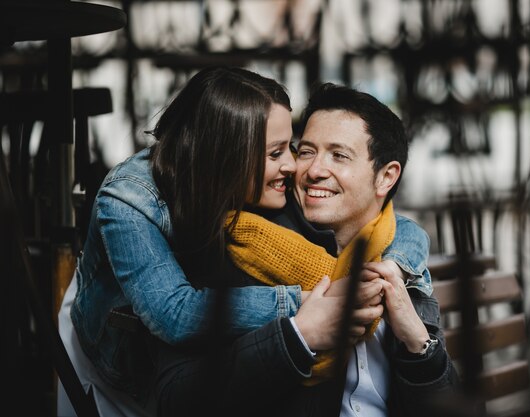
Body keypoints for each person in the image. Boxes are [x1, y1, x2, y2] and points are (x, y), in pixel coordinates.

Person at [56, 67, 426, 417]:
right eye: (276, 152)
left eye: (291, 148)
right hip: (113, 356)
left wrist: (393, 266)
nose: (295, 166)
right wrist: (304, 304)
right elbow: (175, 314)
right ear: (228, 156)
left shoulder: (259, 188)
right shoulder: (129, 198)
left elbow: (392, 223)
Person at [154, 82, 459, 417]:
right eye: (307, 151)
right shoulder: (243, 248)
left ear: (385, 177)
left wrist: (419, 344)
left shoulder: (398, 262)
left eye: (339, 155)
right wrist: (299, 336)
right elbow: (175, 399)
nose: (313, 170)